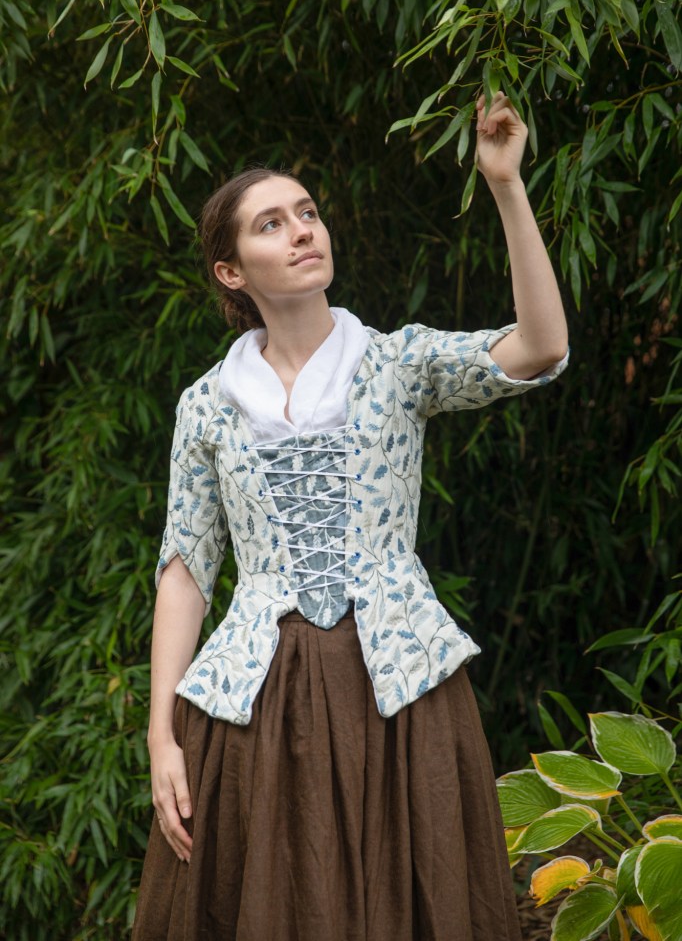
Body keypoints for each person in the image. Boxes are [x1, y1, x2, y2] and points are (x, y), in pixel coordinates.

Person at [132, 92, 569, 941]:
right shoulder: (208, 406)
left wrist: (506, 185)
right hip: (256, 699)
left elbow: (541, 344)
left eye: (308, 212)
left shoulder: (398, 362)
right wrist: (161, 734)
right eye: (271, 224)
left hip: (399, 687)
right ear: (231, 271)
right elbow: (186, 568)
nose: (301, 229)